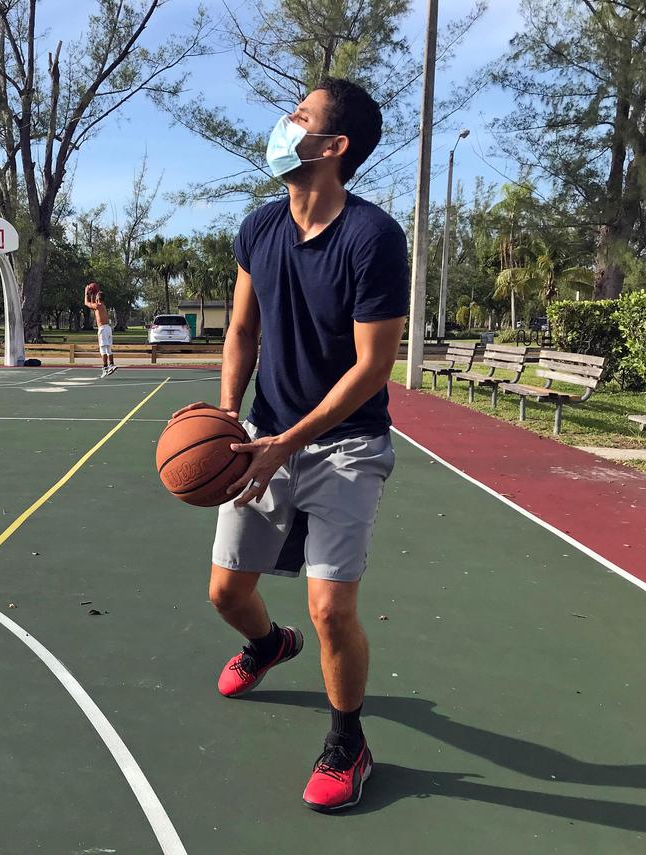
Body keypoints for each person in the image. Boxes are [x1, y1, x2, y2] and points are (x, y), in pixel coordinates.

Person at [174, 77, 408, 812]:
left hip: (347, 444)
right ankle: (269, 643)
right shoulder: (260, 228)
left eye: (299, 116)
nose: (284, 124)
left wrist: (289, 441)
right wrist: (228, 418)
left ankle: (349, 740)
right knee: (225, 592)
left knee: (332, 608)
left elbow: (373, 367)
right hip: (265, 433)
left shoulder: (372, 238)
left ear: (332, 147)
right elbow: (242, 329)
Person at [84, 283, 116, 377]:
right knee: (108, 348)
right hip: (108, 328)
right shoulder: (102, 305)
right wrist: (93, 295)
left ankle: (105, 368)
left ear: (98, 299)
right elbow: (93, 302)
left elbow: (86, 303)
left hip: (102, 329)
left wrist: (86, 293)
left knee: (102, 349)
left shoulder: (97, 306)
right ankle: (111, 365)